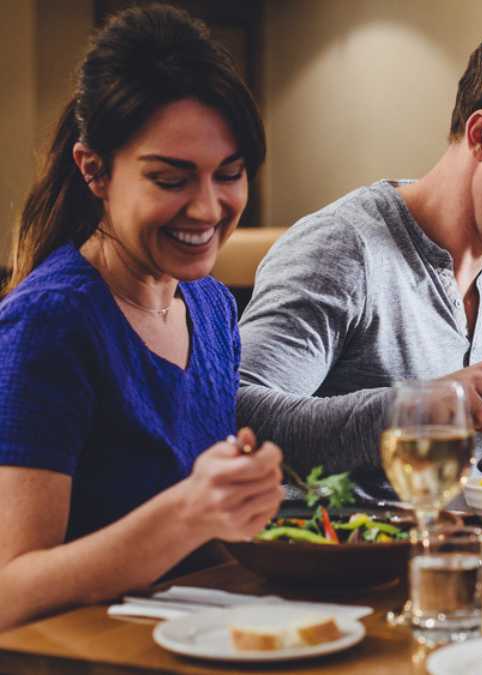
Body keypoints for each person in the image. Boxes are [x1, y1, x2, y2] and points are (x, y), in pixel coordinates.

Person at [0, 5, 283, 631]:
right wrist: (192, 511)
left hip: (196, 640)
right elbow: (9, 591)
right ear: (93, 169)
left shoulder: (207, 303)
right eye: (170, 179)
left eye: (230, 174)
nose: (208, 208)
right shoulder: (51, 323)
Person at [236, 28, 482, 472]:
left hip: (481, 536)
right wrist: (417, 410)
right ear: (481, 134)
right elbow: (237, 415)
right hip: (354, 537)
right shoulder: (343, 247)